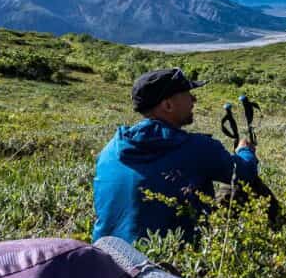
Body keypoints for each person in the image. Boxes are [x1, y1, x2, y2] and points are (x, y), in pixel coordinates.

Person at [92, 68, 258, 244]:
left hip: (107, 259)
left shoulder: (110, 149)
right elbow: (244, 173)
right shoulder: (198, 148)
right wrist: (245, 151)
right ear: (168, 105)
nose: (194, 99)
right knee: (242, 188)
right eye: (187, 94)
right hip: (168, 264)